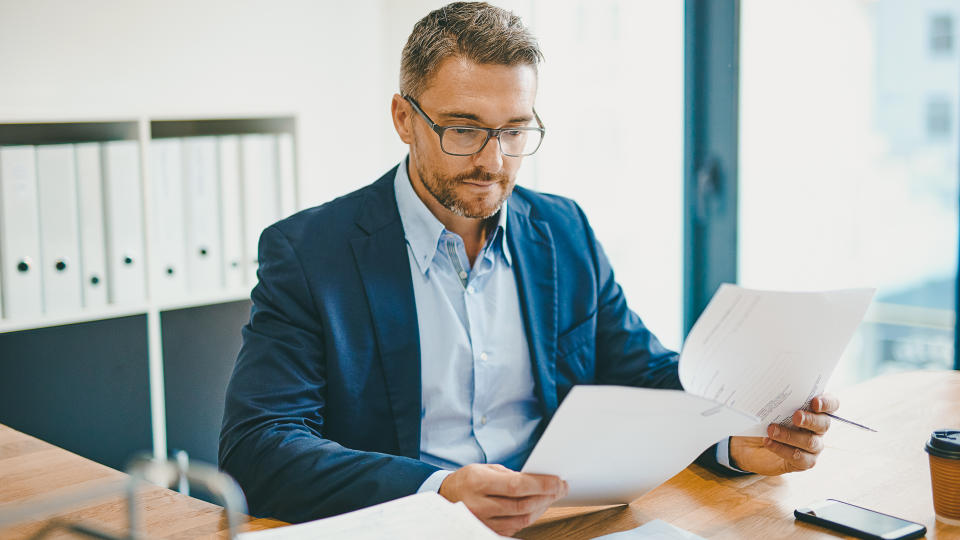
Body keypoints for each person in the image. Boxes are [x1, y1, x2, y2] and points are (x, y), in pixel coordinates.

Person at [219, 2, 840, 536]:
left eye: (515, 131)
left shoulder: (562, 229)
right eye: (463, 129)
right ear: (404, 119)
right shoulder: (310, 253)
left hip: (560, 521)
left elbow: (640, 375)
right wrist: (438, 488)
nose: (493, 161)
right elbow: (259, 446)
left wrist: (734, 440)